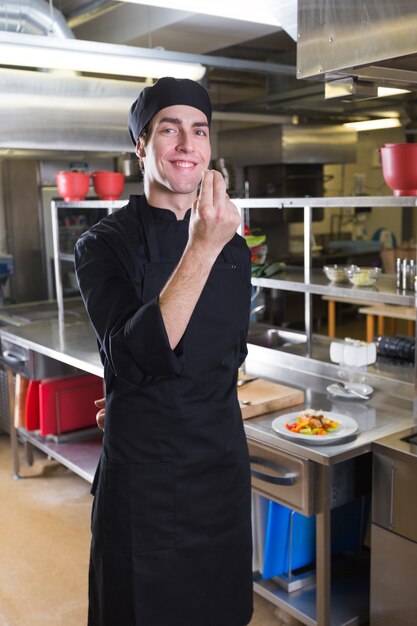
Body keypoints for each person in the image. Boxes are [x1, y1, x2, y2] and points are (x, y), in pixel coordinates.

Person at [75, 76, 253, 626]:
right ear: (140, 146)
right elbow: (136, 356)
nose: (186, 144)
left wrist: (139, 397)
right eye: (168, 130)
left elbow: (227, 356)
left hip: (219, 470)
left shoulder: (235, 248)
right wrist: (200, 247)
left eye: (198, 131)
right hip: (145, 487)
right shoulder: (103, 245)